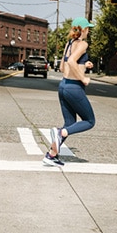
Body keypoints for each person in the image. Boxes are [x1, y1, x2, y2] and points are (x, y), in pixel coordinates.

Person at [43, 17, 96, 167]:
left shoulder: (69, 44)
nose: (88, 31)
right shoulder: (83, 44)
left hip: (63, 85)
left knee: (70, 123)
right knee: (89, 121)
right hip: (74, 87)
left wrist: (84, 64)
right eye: (88, 29)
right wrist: (83, 78)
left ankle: (51, 155)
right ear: (83, 30)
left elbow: (62, 67)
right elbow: (72, 61)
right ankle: (60, 133)